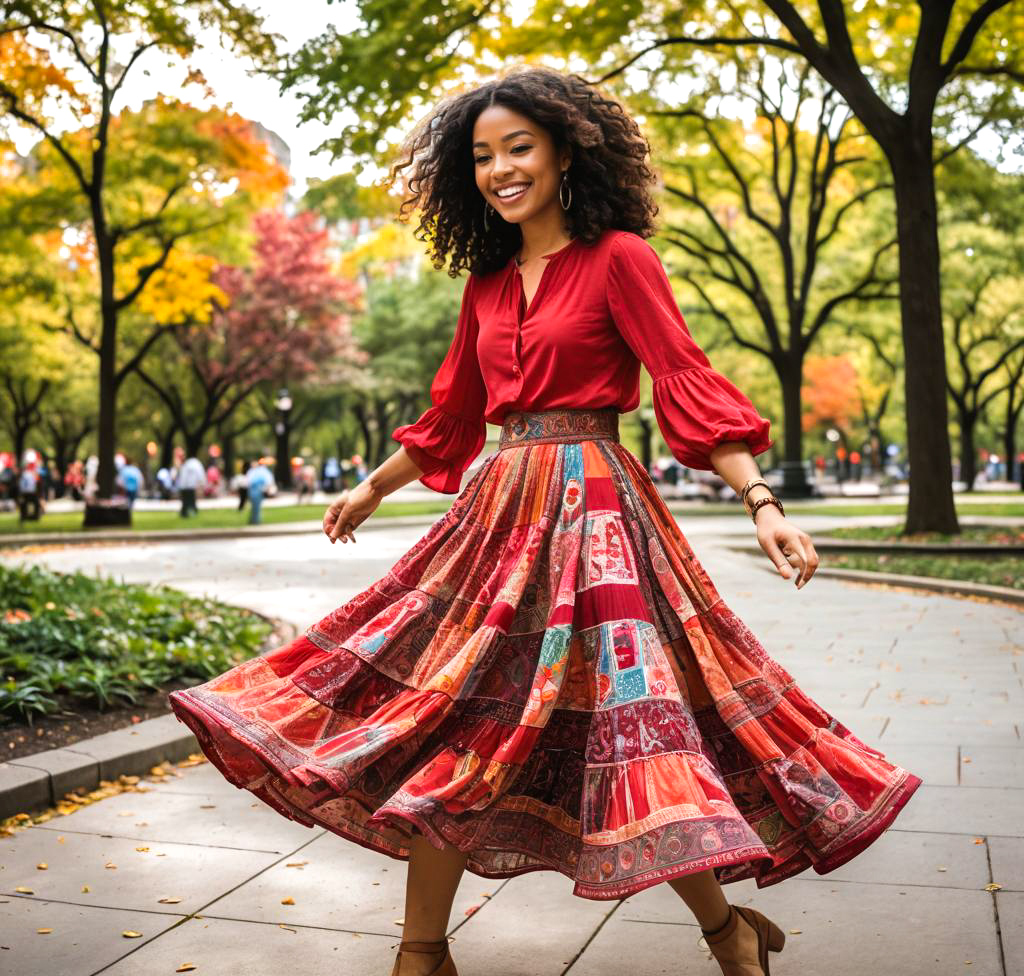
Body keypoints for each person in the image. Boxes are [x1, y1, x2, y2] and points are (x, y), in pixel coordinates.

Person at [168, 66, 923, 976]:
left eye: (518, 147)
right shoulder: (485, 283)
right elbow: (452, 416)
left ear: (566, 151)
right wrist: (371, 487)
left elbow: (686, 382)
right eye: (482, 156)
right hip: (499, 518)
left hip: (598, 514)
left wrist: (762, 502)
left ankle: (725, 931)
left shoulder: (621, 259)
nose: (500, 169)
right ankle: (423, 953)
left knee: (630, 725)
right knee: (460, 712)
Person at [244, 457, 274, 525]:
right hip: (256, 490)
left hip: (255, 490)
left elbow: (247, 482)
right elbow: (268, 481)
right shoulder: (260, 471)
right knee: (256, 506)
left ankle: (254, 520)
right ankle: (255, 520)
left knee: (255, 506)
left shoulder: (255, 471)